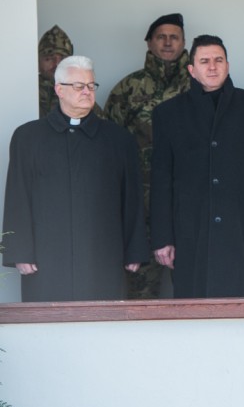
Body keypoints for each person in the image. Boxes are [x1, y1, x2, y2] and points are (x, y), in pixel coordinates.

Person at [3, 56, 147, 301]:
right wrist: (20, 252)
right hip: (46, 256)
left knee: (102, 317)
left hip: (103, 253)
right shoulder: (28, 137)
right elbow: (18, 196)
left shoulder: (118, 139)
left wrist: (134, 250)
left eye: (91, 85)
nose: (87, 92)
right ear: (59, 89)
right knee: (48, 319)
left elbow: (131, 198)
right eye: (79, 86)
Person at [150, 35, 244, 298]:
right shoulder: (168, 114)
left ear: (228, 66)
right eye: (204, 61)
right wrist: (163, 237)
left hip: (241, 227)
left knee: (240, 306)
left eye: (218, 60)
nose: (212, 67)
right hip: (190, 230)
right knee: (192, 305)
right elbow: (161, 181)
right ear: (192, 69)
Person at [105, 12, 192, 298]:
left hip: (187, 204)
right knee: (140, 294)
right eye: (161, 37)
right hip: (141, 207)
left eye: (174, 37)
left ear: (184, 43)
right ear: (149, 43)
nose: (167, 43)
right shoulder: (128, 89)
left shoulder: (200, 85)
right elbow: (110, 147)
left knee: (195, 290)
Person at [37, 25, 74, 118]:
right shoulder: (26, 93)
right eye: (49, 59)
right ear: (37, 62)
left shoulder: (80, 94)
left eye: (63, 59)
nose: (57, 64)